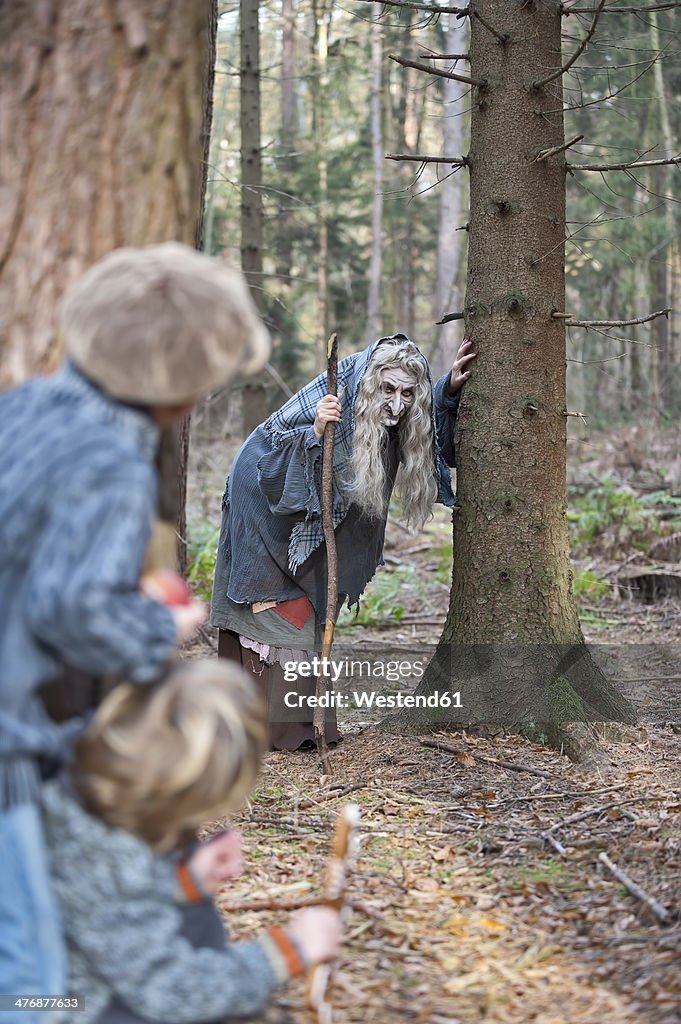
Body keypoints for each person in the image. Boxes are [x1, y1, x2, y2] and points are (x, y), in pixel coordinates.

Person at [0, 243, 269, 1017]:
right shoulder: (112, 456)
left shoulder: (26, 407)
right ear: (185, 395)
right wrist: (163, 621)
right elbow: (70, 610)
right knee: (28, 977)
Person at [210, 333, 476, 750]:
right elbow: (280, 447)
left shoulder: (403, 406)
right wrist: (316, 429)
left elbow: (430, 437)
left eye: (409, 393)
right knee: (275, 597)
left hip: (312, 499)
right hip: (267, 491)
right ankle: (260, 726)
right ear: (372, 383)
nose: (397, 403)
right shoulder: (344, 390)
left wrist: (446, 390)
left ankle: (295, 725)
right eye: (388, 389)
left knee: (309, 596)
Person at [41, 659, 341, 1024]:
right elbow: (170, 991)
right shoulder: (110, 853)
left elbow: (102, 907)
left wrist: (185, 877)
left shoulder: (82, 781)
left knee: (197, 919)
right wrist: (286, 953)